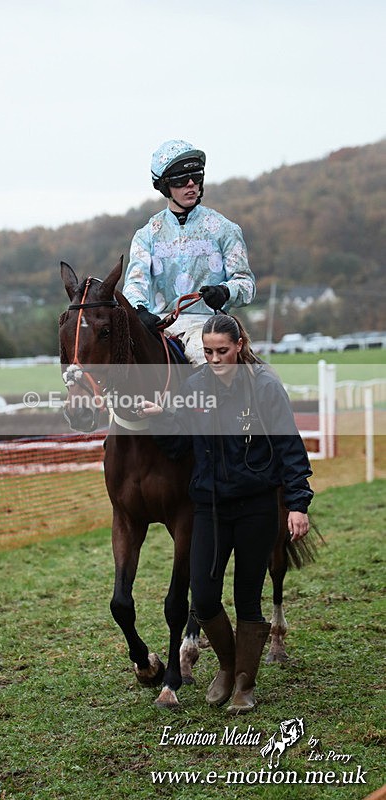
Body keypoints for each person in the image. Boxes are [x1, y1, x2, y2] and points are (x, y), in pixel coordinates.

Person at [136, 313, 313, 713]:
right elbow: (181, 443)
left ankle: (244, 688)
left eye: (222, 351)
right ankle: (230, 665)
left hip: (256, 507)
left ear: (238, 346)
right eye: (209, 352)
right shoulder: (196, 387)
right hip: (210, 508)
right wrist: (159, 418)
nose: (215, 360)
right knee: (204, 595)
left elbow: (289, 446)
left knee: (247, 598)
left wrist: (298, 503)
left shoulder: (264, 385)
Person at [123, 139, 256, 364]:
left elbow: (246, 284)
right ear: (165, 186)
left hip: (206, 326)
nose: (191, 184)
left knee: (204, 359)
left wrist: (225, 291)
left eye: (197, 177)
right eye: (182, 180)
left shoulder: (225, 229)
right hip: (159, 326)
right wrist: (139, 310)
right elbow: (134, 284)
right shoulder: (146, 235)